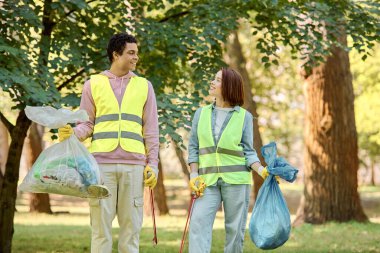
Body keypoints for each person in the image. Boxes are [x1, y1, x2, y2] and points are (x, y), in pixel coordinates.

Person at [58, 33, 159, 253]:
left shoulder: (144, 86)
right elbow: (87, 124)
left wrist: (153, 164)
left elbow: (151, 130)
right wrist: (72, 133)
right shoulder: (93, 84)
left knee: (131, 231)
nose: (136, 58)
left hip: (134, 166)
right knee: (100, 229)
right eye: (131, 53)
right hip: (101, 166)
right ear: (116, 54)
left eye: (136, 53)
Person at [187, 67, 268, 253]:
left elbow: (249, 151)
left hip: (237, 182)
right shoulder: (201, 114)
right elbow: (193, 147)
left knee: (234, 230)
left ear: (229, 86)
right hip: (206, 182)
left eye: (217, 80)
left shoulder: (244, 117)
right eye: (213, 79)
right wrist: (193, 175)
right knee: (198, 223)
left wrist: (261, 170)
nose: (212, 82)